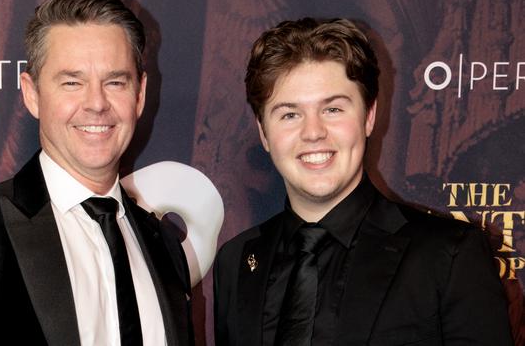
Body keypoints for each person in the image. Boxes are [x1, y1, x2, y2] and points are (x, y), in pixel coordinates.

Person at [0, 0, 193, 346]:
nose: (96, 103)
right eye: (71, 82)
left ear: (139, 95)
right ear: (31, 94)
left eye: (115, 82)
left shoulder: (162, 244)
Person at [213, 17, 513, 345]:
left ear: (369, 117)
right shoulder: (236, 261)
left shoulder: (450, 256)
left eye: (333, 110)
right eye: (290, 114)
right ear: (264, 133)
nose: (313, 132)